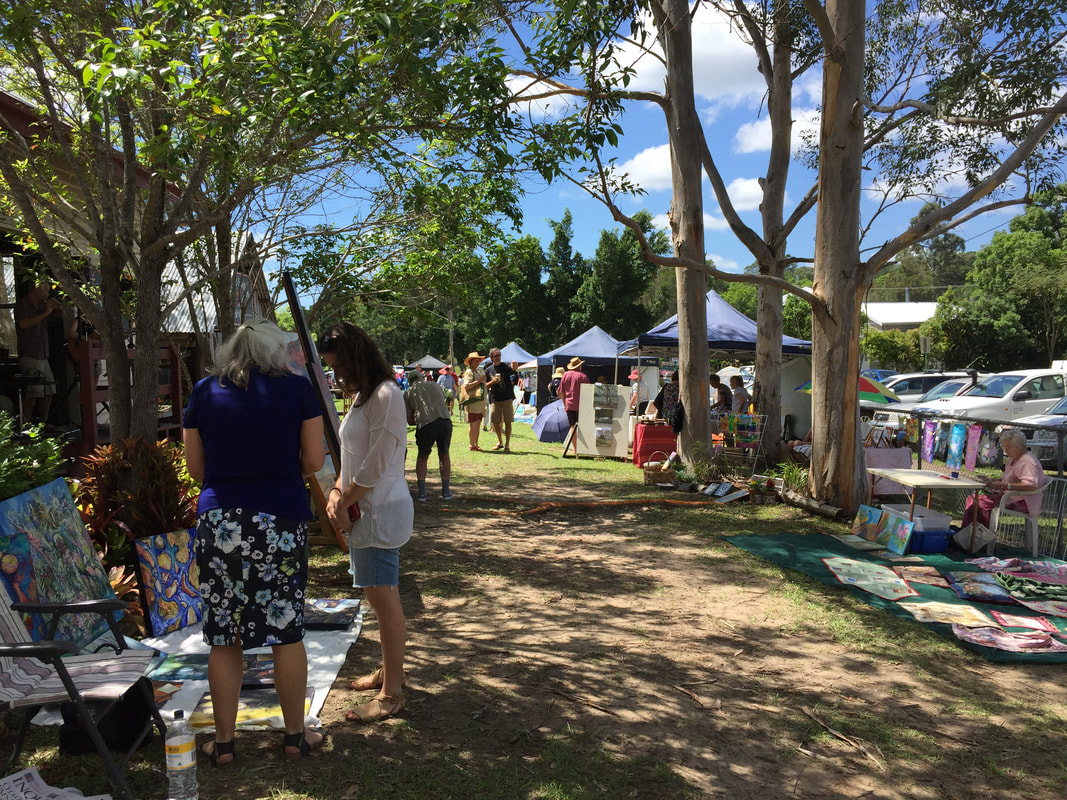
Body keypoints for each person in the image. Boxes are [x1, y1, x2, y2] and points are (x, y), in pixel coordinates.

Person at [182, 318, 326, 763]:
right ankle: (294, 737)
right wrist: (279, 477)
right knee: (286, 632)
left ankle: (224, 744)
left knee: (225, 636)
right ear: (275, 352)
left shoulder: (204, 392)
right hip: (280, 518)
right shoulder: (298, 390)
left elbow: (195, 467)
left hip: (220, 518)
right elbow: (314, 459)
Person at [319, 322, 413, 724]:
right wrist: (336, 494)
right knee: (380, 599)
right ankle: (392, 673)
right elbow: (351, 457)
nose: (338, 376)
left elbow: (376, 463)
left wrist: (346, 501)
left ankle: (391, 694)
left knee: (384, 602)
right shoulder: (364, 397)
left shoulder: (387, 395)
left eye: (339, 367)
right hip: (362, 512)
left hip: (378, 512)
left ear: (357, 356)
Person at [962, 428, 1044, 529]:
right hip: (1011, 496)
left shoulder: (1027, 462)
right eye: (1004, 447)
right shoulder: (1013, 458)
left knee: (979, 501)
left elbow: (1031, 486)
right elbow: (1009, 479)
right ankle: (969, 532)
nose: (1005, 450)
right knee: (974, 497)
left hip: (1024, 501)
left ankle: (979, 534)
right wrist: (994, 481)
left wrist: (1004, 485)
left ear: (1018, 446)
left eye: (1008, 447)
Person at [14, 281, 62, 426]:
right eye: (46, 291)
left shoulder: (42, 306)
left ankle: (44, 422)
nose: (47, 294)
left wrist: (57, 308)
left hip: (43, 353)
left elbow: (61, 316)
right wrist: (46, 313)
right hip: (30, 353)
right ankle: (25, 424)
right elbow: (23, 324)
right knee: (33, 391)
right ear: (36, 289)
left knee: (49, 388)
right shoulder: (23, 305)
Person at [405, 370, 454, 501]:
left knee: (422, 456)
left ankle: (422, 493)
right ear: (422, 377)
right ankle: (446, 491)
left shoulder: (408, 393)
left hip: (426, 424)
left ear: (410, 381)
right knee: (444, 454)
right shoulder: (435, 385)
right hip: (445, 421)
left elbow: (409, 420)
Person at [484, 347, 519, 452]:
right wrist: (493, 382)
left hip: (507, 397)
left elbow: (512, 368)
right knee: (495, 422)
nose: (498, 357)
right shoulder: (488, 370)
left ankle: (507, 444)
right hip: (495, 398)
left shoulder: (505, 366)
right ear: (491, 358)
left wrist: (514, 366)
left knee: (508, 421)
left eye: (499, 355)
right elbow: (485, 385)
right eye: (496, 356)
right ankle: (500, 442)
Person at [557, 357, 590, 458]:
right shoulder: (583, 376)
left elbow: (560, 392)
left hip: (569, 404)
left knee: (572, 426)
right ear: (579, 366)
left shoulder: (566, 375)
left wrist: (564, 403)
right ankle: (582, 449)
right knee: (582, 427)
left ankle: (575, 450)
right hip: (582, 405)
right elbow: (589, 391)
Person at [460, 351, 487, 451]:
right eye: (475, 360)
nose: (477, 362)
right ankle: (472, 444)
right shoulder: (469, 372)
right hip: (474, 403)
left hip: (479, 403)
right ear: (470, 362)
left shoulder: (477, 372)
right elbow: (466, 386)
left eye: (478, 360)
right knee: (474, 423)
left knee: (478, 423)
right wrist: (480, 381)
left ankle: (476, 444)